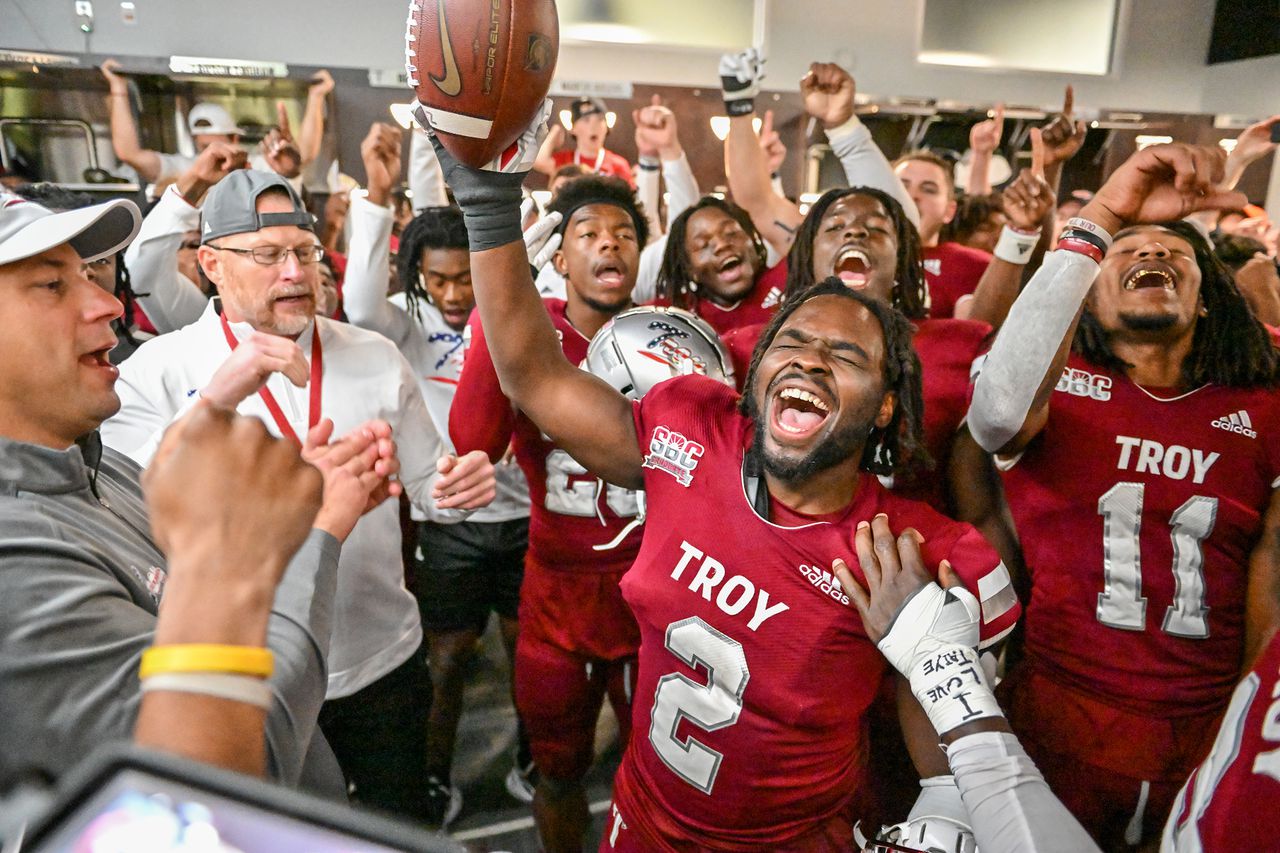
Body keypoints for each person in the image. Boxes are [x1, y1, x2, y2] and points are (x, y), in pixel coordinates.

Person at [421, 104, 1021, 852]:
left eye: (847, 356)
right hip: (641, 819)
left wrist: (943, 794)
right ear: (754, 366)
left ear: (885, 407)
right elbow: (532, 371)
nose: (808, 359)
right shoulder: (690, 432)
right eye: (792, 342)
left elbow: (949, 689)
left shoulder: (900, 548)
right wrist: (487, 203)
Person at [99, 169, 497, 821]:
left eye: (304, 253)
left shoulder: (372, 355)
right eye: (267, 255)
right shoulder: (158, 373)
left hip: (380, 658)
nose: (294, 272)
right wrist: (220, 397)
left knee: (397, 821)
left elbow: (428, 490)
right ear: (210, 265)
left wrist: (455, 488)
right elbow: (139, 508)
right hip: (250, 677)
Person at [0, 189, 396, 793]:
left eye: (88, 275)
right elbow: (217, 790)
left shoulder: (93, 465)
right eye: (52, 286)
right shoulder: (16, 561)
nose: (108, 303)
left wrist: (283, 521)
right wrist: (314, 537)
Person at [967, 142, 1280, 849]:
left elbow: (1271, 597)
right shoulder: (1052, 380)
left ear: (1207, 301)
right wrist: (1101, 215)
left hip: (1207, 726)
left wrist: (1243, 730)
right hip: (1058, 717)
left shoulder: (1260, 406)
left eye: (1178, 252)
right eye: (1127, 249)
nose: (1155, 253)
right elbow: (996, 418)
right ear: (1085, 294)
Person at [342, 122, 534, 826]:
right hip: (448, 526)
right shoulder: (404, 324)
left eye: (466, 277)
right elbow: (360, 306)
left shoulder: (512, 316)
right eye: (440, 278)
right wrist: (375, 195)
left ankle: (531, 755)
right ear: (418, 274)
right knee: (448, 661)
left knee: (524, 656)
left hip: (518, 517)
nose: (455, 293)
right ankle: (432, 774)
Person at [450, 174, 647, 852]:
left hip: (649, 592)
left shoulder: (670, 335)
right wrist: (499, 307)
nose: (608, 244)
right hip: (555, 596)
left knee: (655, 775)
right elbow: (473, 438)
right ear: (557, 258)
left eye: (623, 233)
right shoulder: (536, 333)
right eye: (587, 233)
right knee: (556, 771)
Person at [100, 60, 333, 189]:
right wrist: (118, 88)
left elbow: (305, 155)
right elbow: (129, 153)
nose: (212, 154)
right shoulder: (187, 168)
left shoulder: (260, 166)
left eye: (217, 145)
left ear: (234, 139)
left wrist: (316, 96)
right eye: (203, 148)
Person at [653, 197, 781, 336]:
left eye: (731, 232)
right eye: (703, 245)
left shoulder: (789, 277)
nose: (721, 245)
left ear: (752, 237)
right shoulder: (673, 315)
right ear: (690, 270)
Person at [535, 97, 635, 187]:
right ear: (573, 128)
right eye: (586, 120)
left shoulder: (618, 164)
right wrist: (555, 132)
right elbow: (538, 161)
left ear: (607, 128)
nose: (594, 126)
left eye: (600, 120)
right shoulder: (565, 161)